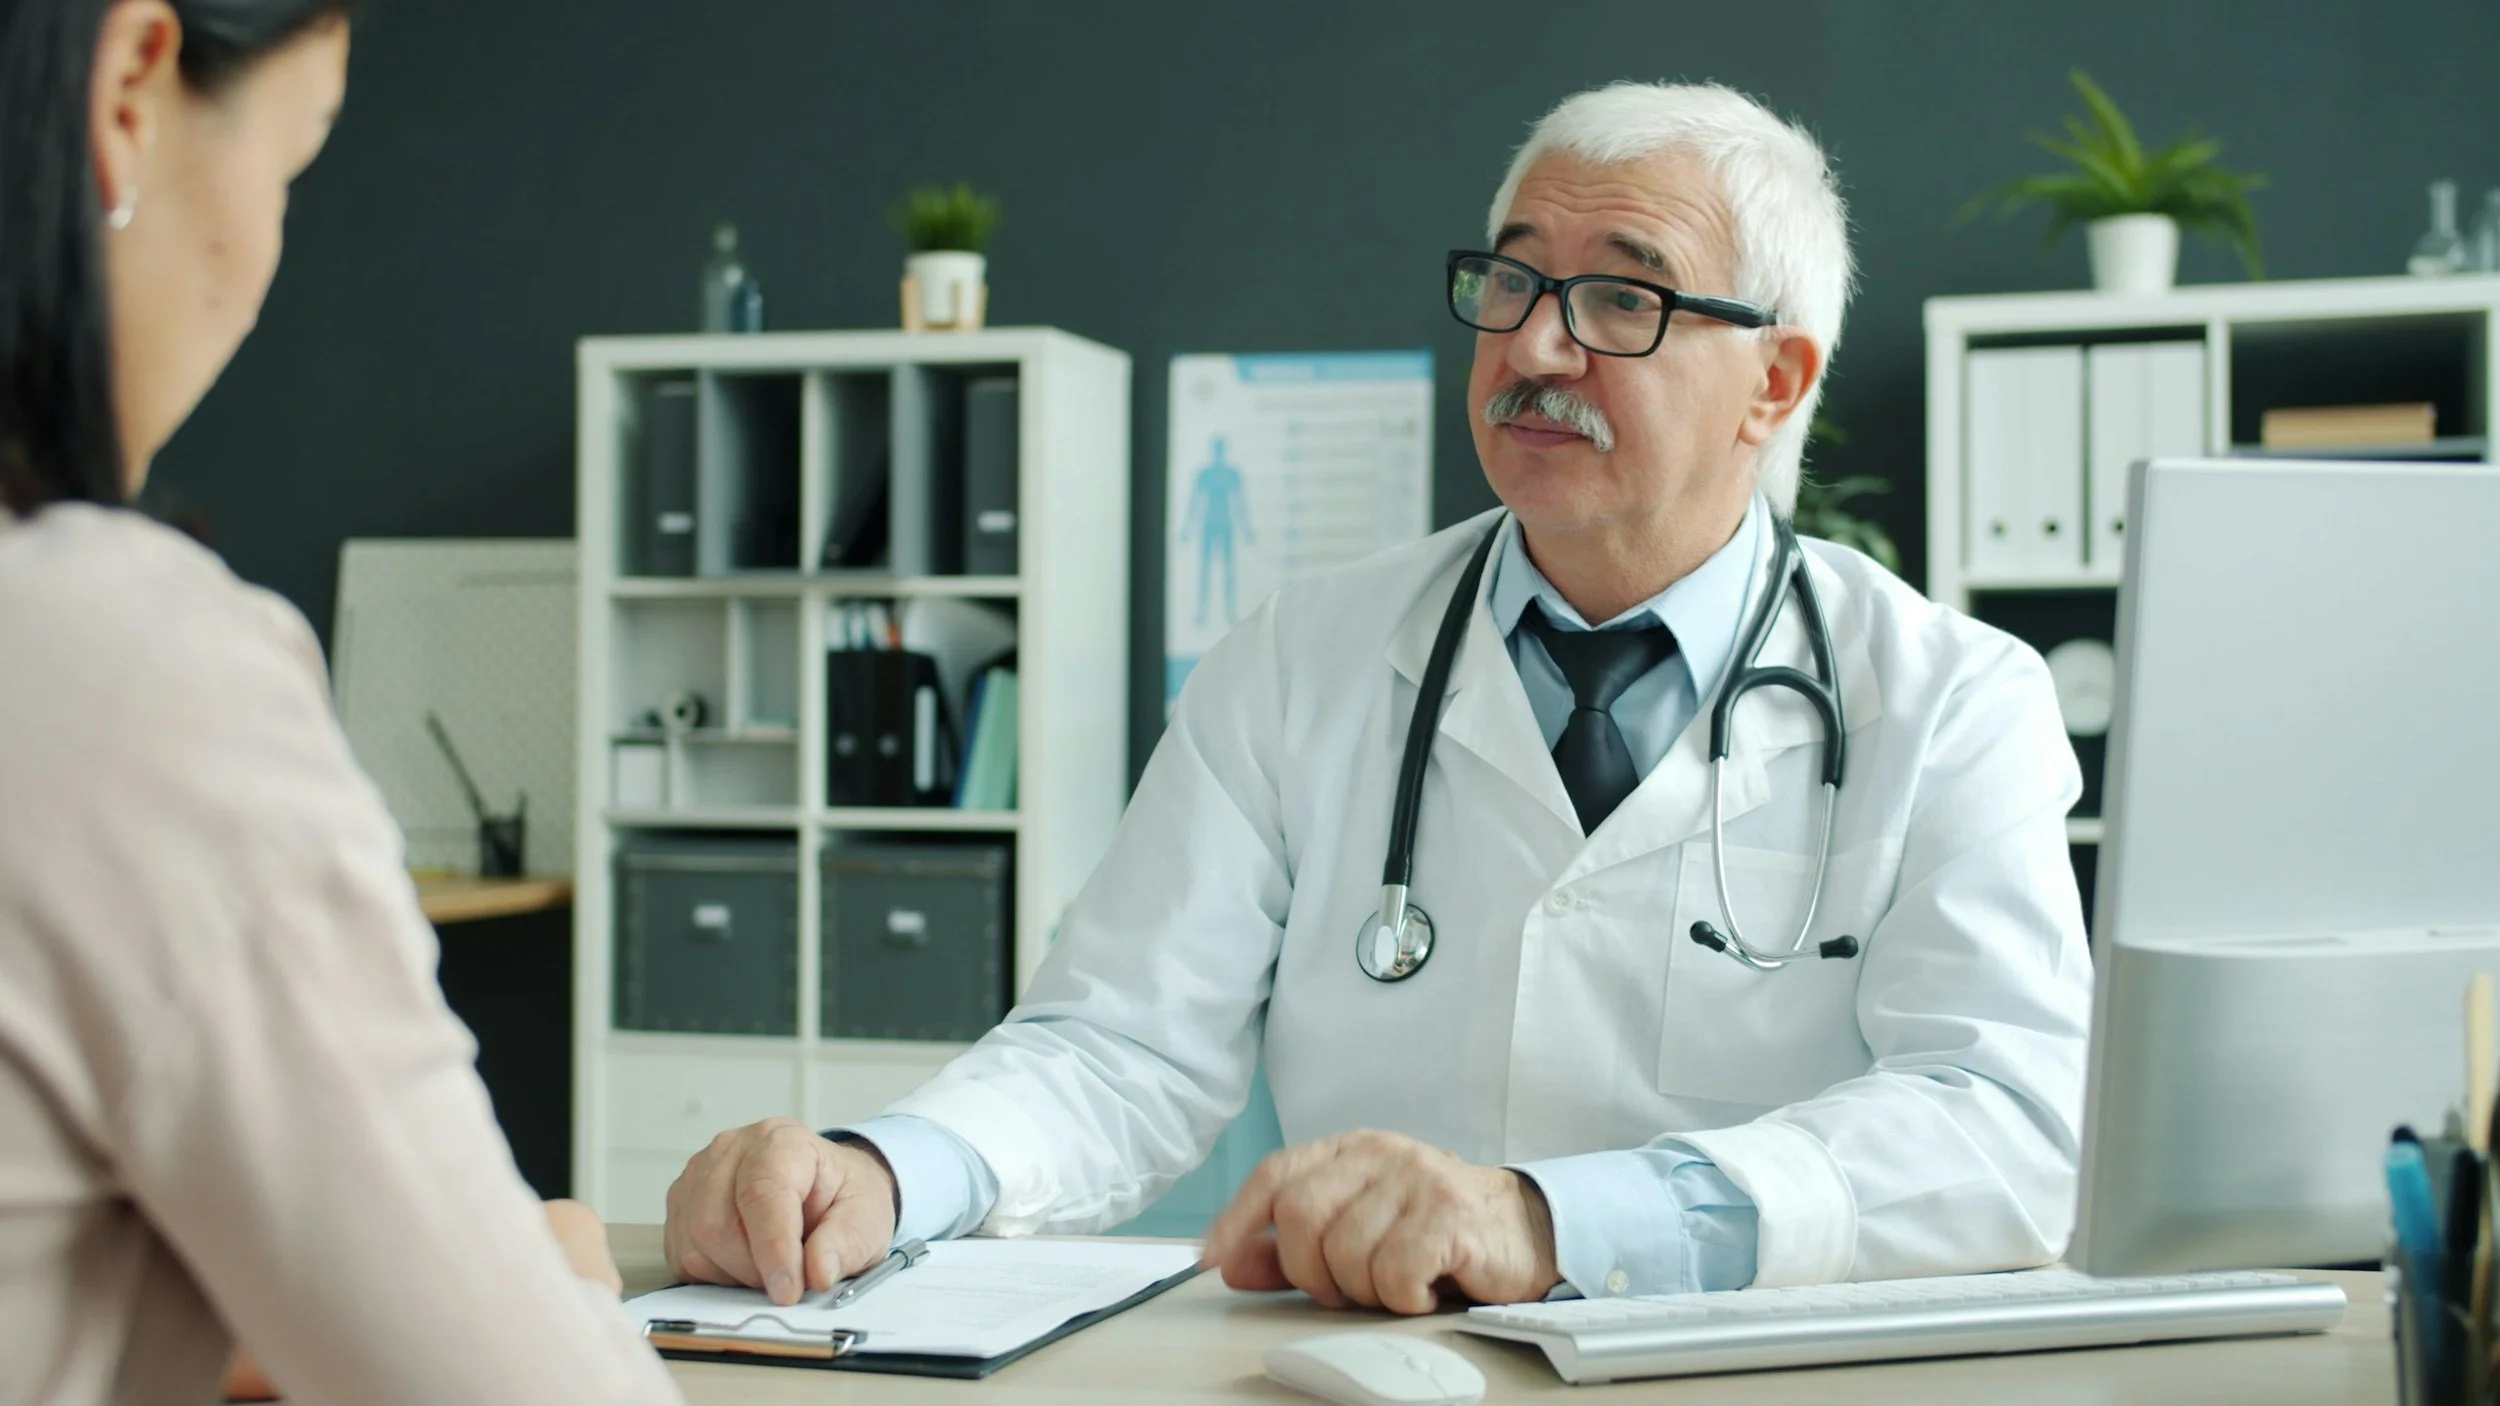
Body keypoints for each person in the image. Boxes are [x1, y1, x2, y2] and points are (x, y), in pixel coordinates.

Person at [666, 80, 2090, 1316]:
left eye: (1620, 297)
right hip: (1372, 1366)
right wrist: (884, 1171)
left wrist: (1553, 1222)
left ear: (1775, 381)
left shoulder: (1950, 700)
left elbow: (2012, 1125)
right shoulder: (1306, 658)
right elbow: (1116, 1042)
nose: (1535, 347)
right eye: (1516, 282)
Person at [0, 3, 681, 1402]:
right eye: (294, 164)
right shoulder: (119, 664)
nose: (265, 261)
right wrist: (531, 1283)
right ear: (131, 85)